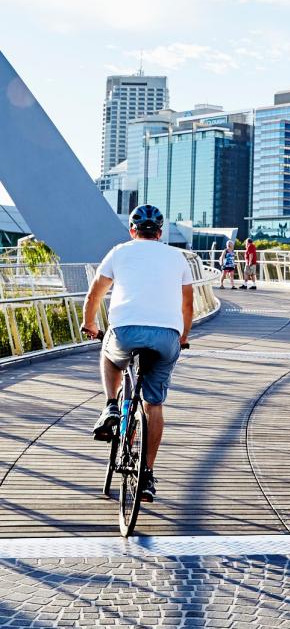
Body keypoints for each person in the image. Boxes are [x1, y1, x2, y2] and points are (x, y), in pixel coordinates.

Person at [82, 203, 194, 504]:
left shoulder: (119, 251)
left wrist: (89, 323)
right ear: (160, 233)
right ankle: (146, 474)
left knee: (109, 355)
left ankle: (110, 407)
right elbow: (187, 306)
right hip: (167, 336)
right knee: (153, 405)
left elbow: (95, 293)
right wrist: (182, 337)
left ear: (132, 230)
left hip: (126, 330)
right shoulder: (177, 257)